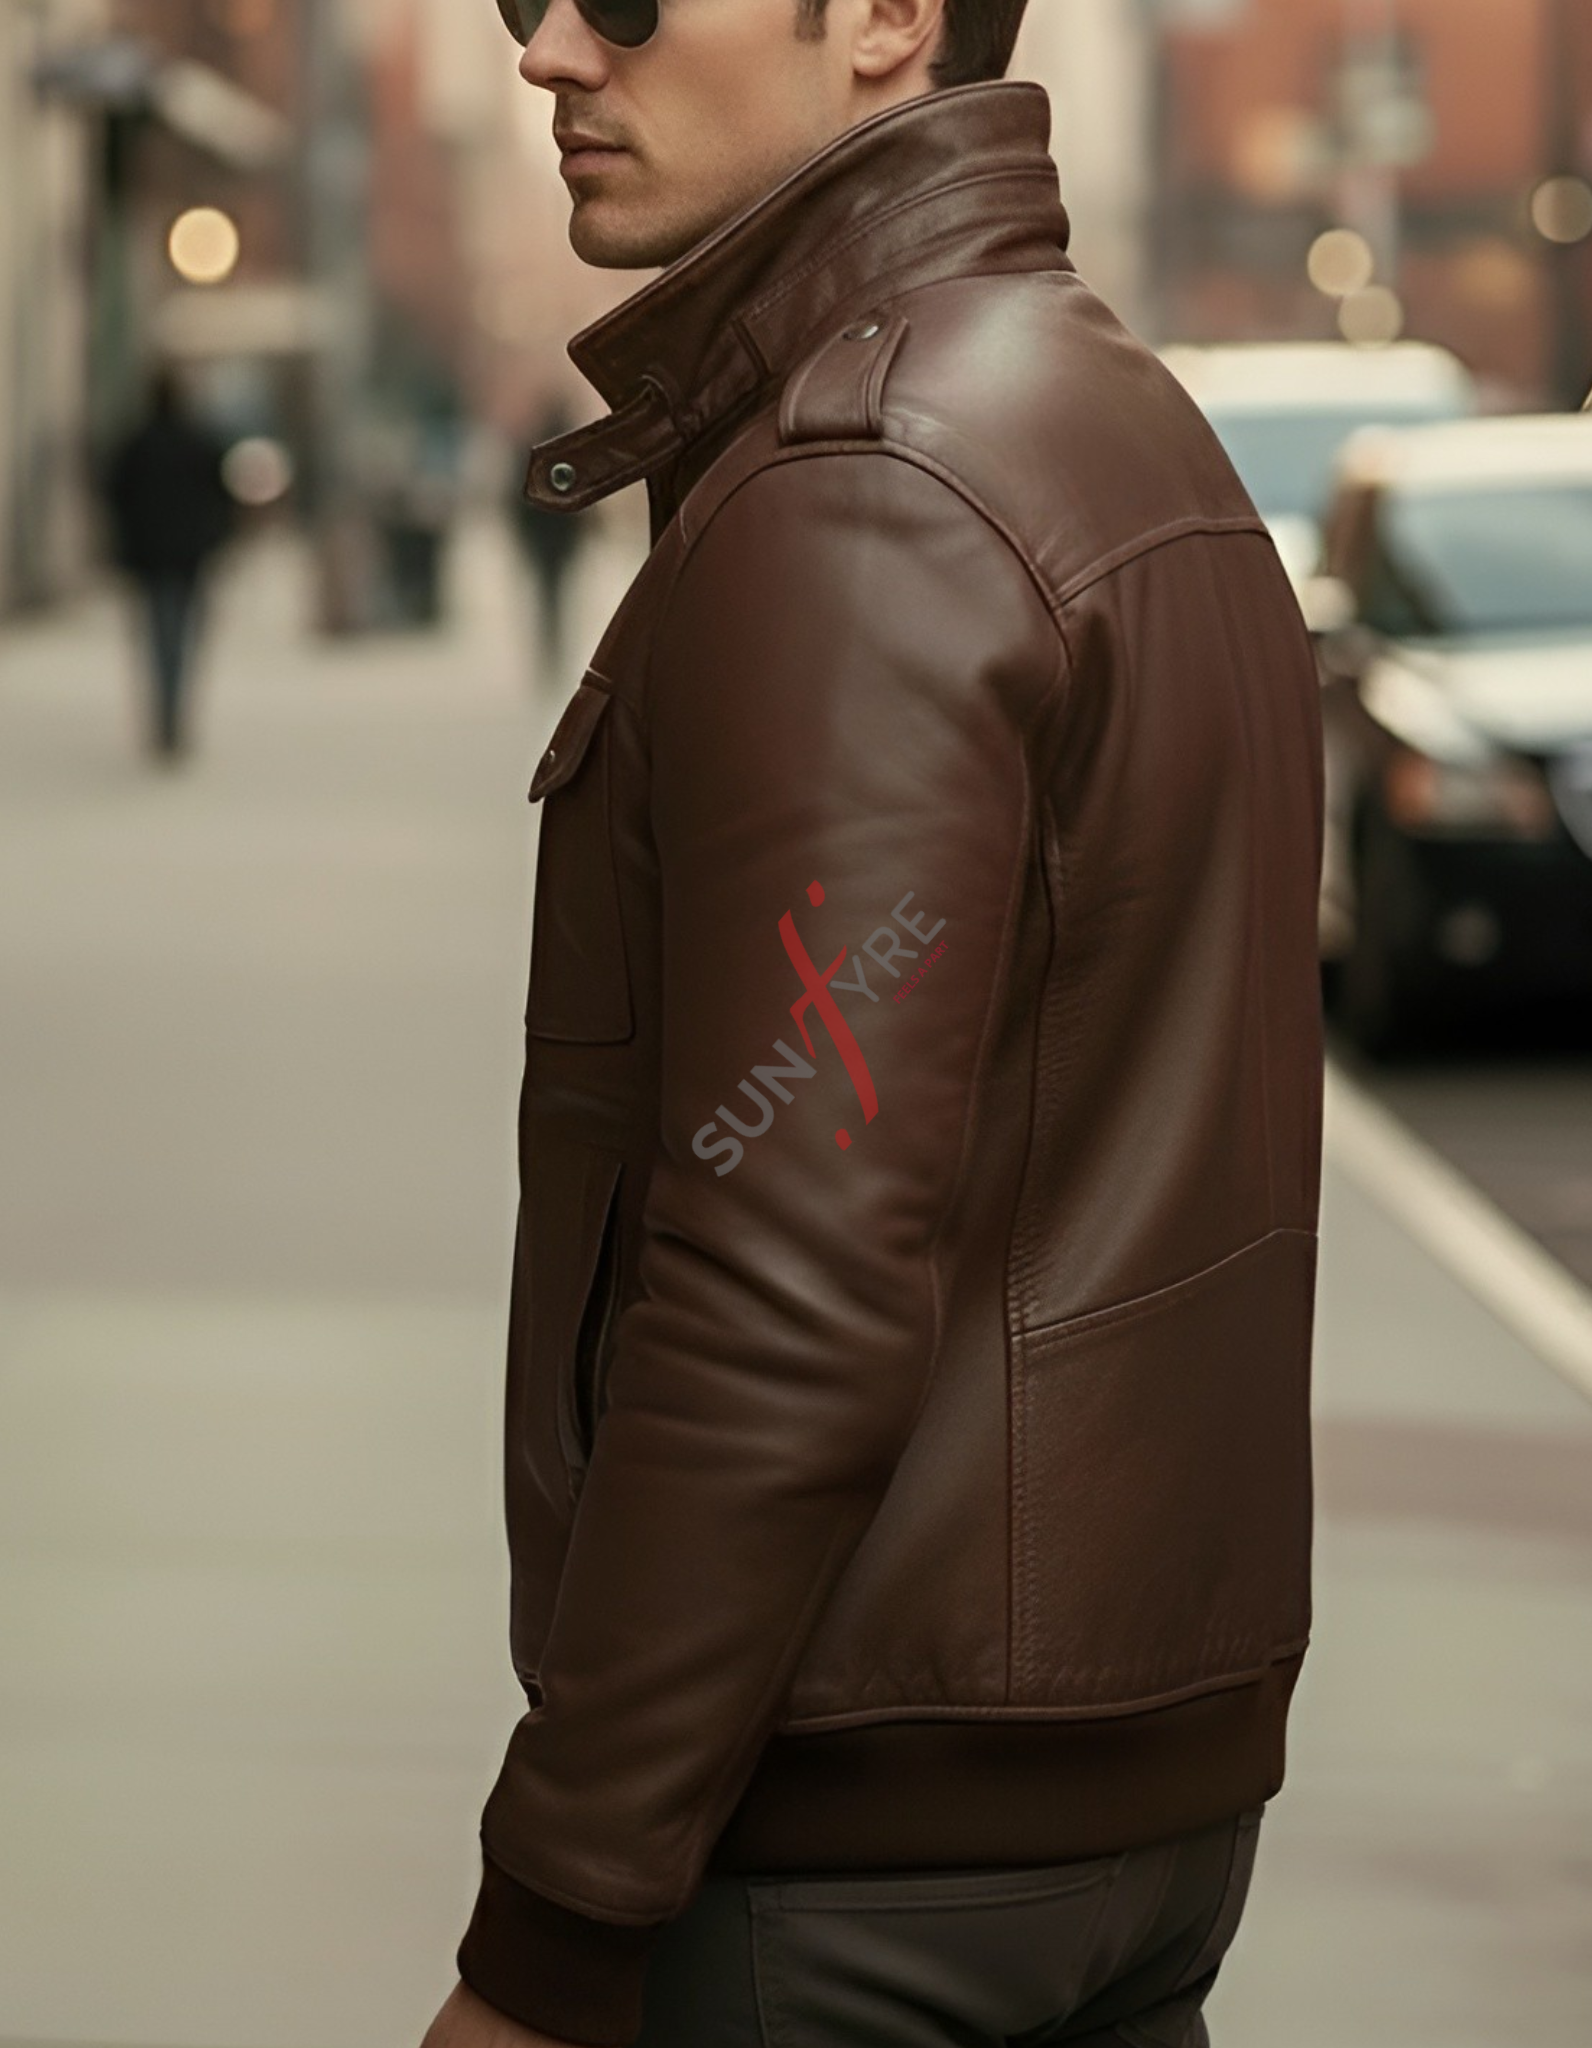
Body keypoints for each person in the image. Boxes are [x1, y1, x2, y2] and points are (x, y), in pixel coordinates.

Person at [424, 4, 1325, 2046]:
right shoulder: (1110, 416)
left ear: (888, 22)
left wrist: (550, 1930)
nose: (552, 53)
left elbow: (782, 1280)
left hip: (851, 1854)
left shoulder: (864, 487)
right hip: (1129, 1806)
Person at [102, 365, 235, 759]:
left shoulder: (137, 443)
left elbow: (115, 493)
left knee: (159, 636)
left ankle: (164, 715)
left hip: (150, 556)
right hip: (189, 556)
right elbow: (221, 496)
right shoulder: (200, 442)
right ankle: (173, 716)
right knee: (182, 636)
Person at [508, 391, 590, 685]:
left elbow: (517, 497)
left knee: (548, 595)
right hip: (559, 536)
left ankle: (549, 654)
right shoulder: (570, 448)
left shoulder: (533, 450)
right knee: (557, 596)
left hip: (544, 536)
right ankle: (554, 652)